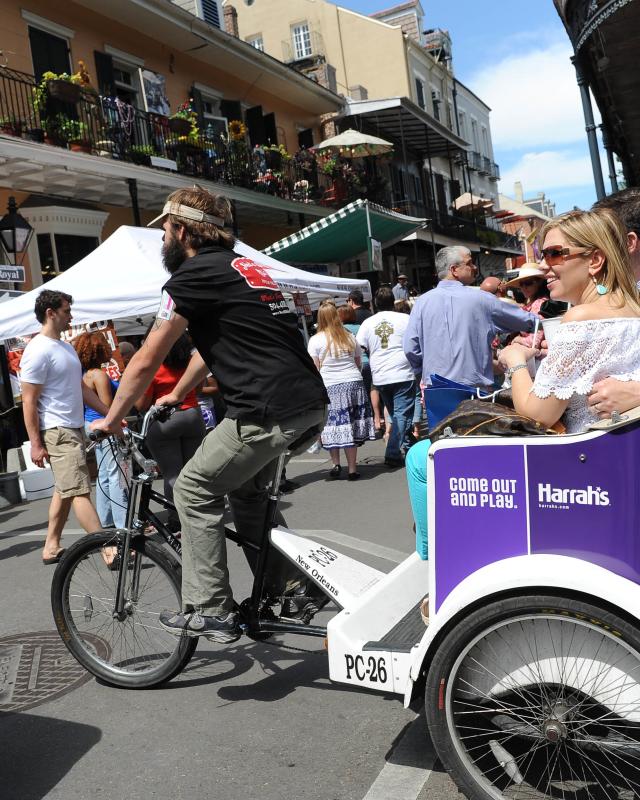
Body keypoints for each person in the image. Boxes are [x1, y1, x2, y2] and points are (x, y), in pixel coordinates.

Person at [92, 187, 328, 643]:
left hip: (266, 410)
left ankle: (210, 609)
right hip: (305, 405)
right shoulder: (244, 270)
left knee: (194, 487)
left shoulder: (193, 275)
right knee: (246, 497)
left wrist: (113, 417)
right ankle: (293, 589)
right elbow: (212, 347)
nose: (162, 237)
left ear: (181, 230)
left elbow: (144, 358)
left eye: (164, 229)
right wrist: (178, 393)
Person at [406, 208, 640, 610]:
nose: (544, 266)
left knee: (420, 457)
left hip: (574, 464)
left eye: (554, 255)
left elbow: (538, 413)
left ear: (595, 260)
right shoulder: (631, 310)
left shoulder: (582, 319)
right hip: (608, 457)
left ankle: (435, 569)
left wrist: (515, 362)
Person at [20, 290, 108, 564]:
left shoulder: (65, 346)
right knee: (79, 490)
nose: (71, 316)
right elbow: (28, 400)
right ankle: (107, 548)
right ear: (51, 313)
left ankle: (51, 546)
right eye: (67, 311)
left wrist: (111, 415)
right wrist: (35, 443)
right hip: (58, 431)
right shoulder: (37, 350)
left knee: (66, 489)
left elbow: (81, 388)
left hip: (73, 428)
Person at [403, 246, 538, 390]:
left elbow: (410, 348)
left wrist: (425, 373)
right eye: (469, 263)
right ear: (454, 269)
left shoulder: (421, 303)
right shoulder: (482, 300)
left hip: (436, 391)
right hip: (473, 393)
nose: (474, 267)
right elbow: (530, 321)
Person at [136, 333, 206, 532]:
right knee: (193, 470)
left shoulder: (155, 368)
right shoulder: (190, 363)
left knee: (172, 474)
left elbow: (141, 404)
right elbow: (198, 388)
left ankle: (176, 517)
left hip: (164, 421)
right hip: (192, 415)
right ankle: (197, 510)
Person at [308, 301, 374, 480]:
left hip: (331, 385)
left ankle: (335, 464)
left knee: (332, 425)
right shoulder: (349, 336)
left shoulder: (315, 340)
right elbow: (359, 362)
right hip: (353, 382)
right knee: (350, 425)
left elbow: (316, 368)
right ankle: (352, 469)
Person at [73, 331, 128, 532]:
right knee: (116, 474)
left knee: (104, 475)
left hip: (90, 426)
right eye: (105, 344)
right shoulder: (99, 375)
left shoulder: (84, 375)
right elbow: (107, 407)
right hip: (102, 425)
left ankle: (107, 520)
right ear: (99, 350)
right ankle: (124, 523)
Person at [357, 287, 416, 467]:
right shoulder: (406, 319)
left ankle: (409, 445)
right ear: (393, 302)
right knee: (401, 414)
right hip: (402, 371)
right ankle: (392, 452)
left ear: (375, 303)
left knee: (397, 414)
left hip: (381, 374)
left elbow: (361, 346)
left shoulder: (368, 323)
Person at [502, 263, 548, 348]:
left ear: (540, 282)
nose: (523, 287)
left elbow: (533, 342)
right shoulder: (531, 303)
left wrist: (517, 339)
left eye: (528, 283)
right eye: (521, 284)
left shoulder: (539, 303)